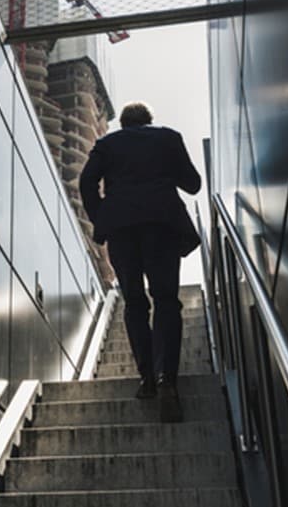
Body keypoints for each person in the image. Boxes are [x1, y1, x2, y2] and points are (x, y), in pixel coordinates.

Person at [79, 101, 201, 423]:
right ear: (148, 121)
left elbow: (86, 182)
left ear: (122, 123)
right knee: (165, 300)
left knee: (134, 302)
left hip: (121, 230)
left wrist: (101, 216)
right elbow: (193, 183)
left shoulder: (106, 144)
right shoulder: (168, 138)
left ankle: (147, 377)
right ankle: (167, 380)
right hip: (162, 224)